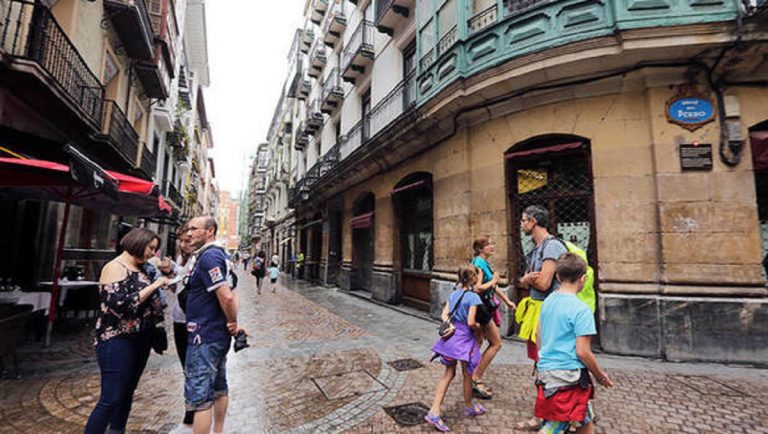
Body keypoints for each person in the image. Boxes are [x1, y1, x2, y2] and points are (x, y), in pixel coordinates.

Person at [85, 228, 170, 434]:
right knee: (111, 398)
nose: (152, 253)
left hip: (140, 338)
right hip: (116, 338)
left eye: (155, 249)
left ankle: (117, 430)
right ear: (138, 242)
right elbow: (120, 306)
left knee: (126, 392)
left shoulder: (142, 268)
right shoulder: (115, 267)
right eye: (151, 248)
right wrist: (155, 285)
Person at [533, 253, 613, 434]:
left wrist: (543, 360)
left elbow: (539, 335)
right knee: (555, 426)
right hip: (569, 378)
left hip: (548, 372)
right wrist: (600, 376)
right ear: (583, 278)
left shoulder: (548, 301)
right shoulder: (582, 310)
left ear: (558, 277)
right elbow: (583, 352)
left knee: (585, 421)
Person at [184, 216, 244, 434]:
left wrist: (233, 322)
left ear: (209, 231)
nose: (188, 233)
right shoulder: (211, 256)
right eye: (188, 229)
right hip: (213, 334)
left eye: (193, 229)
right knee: (219, 387)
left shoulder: (209, 257)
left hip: (204, 335)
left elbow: (227, 297)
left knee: (200, 399)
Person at [515, 205, 568, 431]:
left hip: (548, 313)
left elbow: (544, 283)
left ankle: (541, 417)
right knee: (542, 364)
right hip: (538, 310)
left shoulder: (552, 245)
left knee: (544, 364)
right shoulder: (537, 247)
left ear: (534, 221)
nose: (522, 224)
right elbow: (523, 281)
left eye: (524, 220)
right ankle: (576, 415)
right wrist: (526, 280)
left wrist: (527, 281)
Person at [425, 265, 486, 432]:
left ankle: (436, 410)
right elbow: (471, 322)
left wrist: (451, 325)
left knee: (448, 375)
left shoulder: (454, 294)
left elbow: (444, 314)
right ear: (473, 278)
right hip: (465, 341)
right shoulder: (473, 298)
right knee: (467, 375)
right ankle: (467, 407)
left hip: (451, 340)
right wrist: (479, 329)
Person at [469, 235, 516, 400]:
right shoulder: (478, 263)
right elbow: (478, 288)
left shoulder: (482, 262)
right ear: (481, 249)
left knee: (479, 341)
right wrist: (494, 280)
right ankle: (476, 377)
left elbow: (493, 287)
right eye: (489, 244)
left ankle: (470, 374)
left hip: (483, 308)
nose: (492, 246)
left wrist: (508, 301)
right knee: (496, 343)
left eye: (492, 243)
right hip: (481, 310)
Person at [165, 225, 197, 434]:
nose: (184, 244)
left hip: (193, 321)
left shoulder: (199, 260)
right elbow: (178, 290)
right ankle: (191, 410)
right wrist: (170, 280)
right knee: (186, 367)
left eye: (188, 240)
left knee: (193, 367)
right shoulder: (180, 260)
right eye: (182, 240)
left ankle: (192, 415)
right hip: (178, 318)